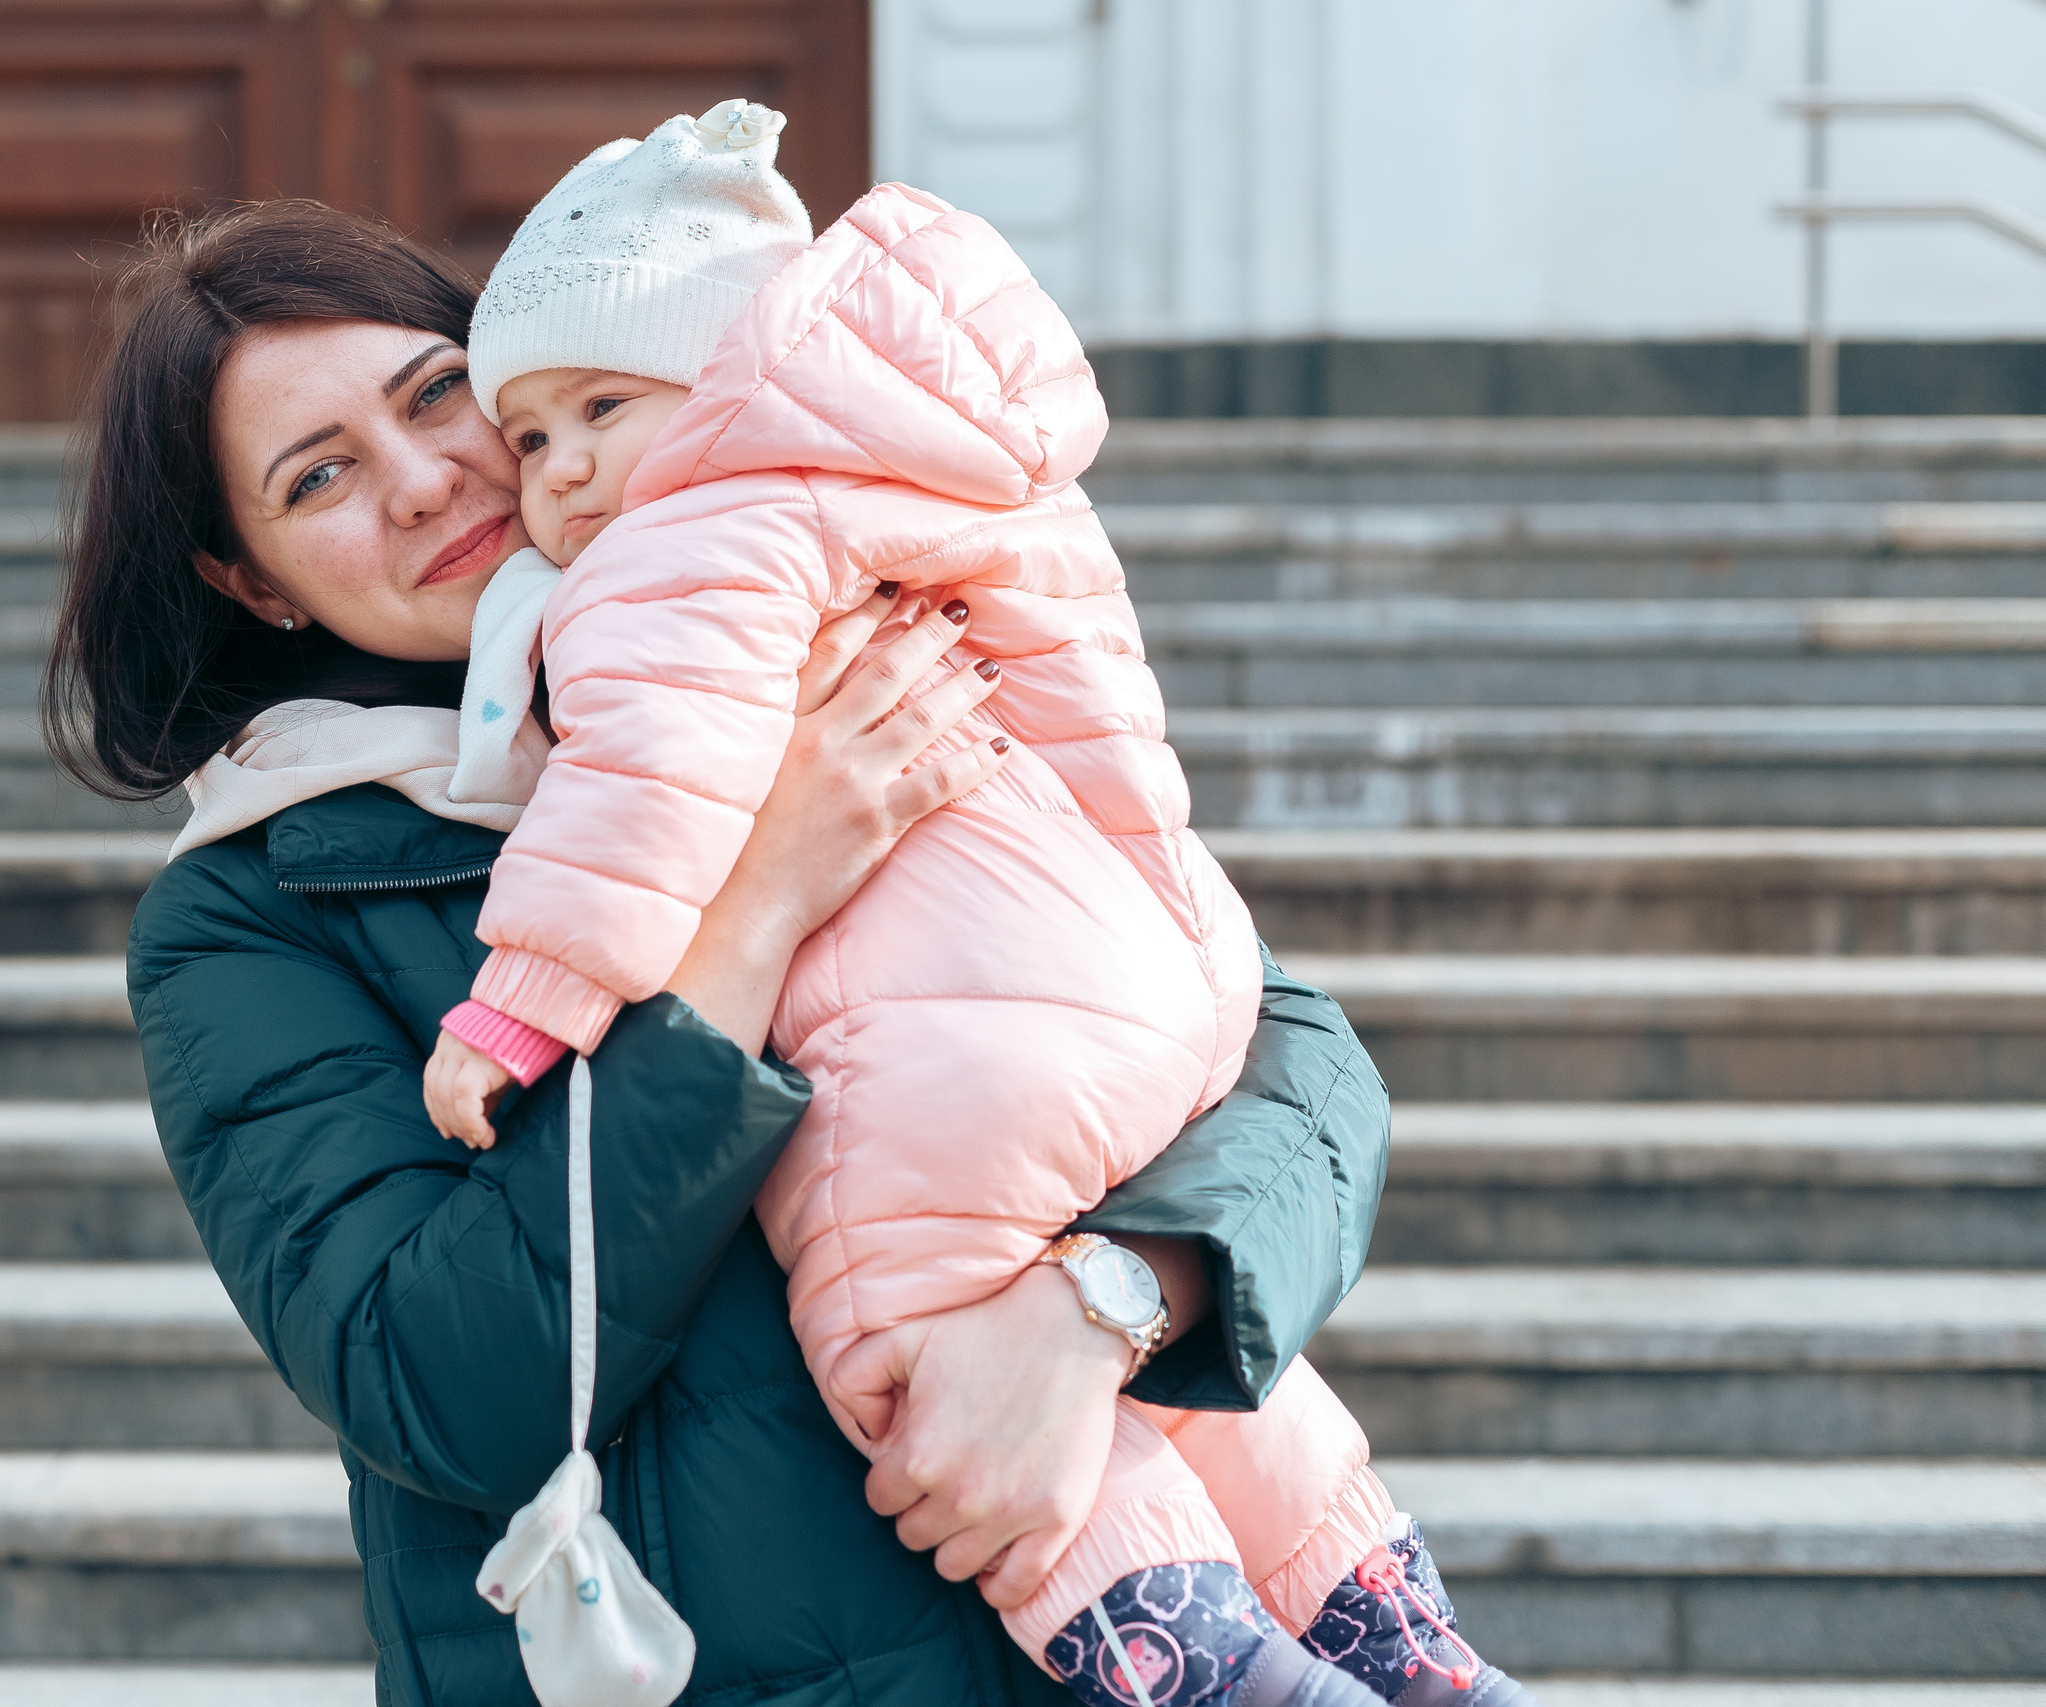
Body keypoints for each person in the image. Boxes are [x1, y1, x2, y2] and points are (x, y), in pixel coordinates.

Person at [46, 197, 1487, 1707]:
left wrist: (1100, 1307)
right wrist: (757, 903)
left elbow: (1275, 1046)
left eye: (437, 393)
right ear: (253, 582)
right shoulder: (252, 916)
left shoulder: (837, 618)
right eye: (319, 476)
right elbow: (444, 1386)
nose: (422, 481)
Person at [411, 104, 1535, 1707]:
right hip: (1157, 971)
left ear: (732, 376)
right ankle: (1395, 1632)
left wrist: (526, 998)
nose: (564, 467)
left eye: (602, 404)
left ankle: (1216, 1667)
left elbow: (645, 787)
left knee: (919, 1324)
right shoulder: (954, 482)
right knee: (1190, 1383)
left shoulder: (681, 546)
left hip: (965, 1043)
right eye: (528, 437)